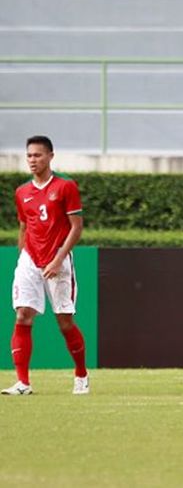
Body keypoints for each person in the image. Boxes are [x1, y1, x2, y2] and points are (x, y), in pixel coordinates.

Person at [2, 135, 89, 395]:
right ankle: (23, 382)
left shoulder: (65, 186)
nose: (32, 160)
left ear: (50, 156)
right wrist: (23, 257)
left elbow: (77, 227)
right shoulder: (21, 192)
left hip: (58, 259)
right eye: (29, 155)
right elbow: (24, 225)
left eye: (38, 155)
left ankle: (81, 374)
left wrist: (59, 258)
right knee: (22, 315)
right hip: (30, 258)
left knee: (64, 321)